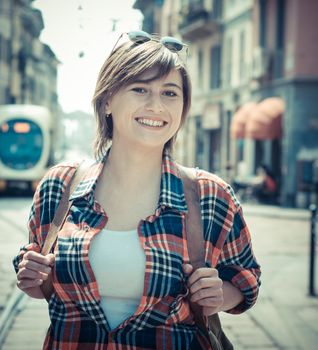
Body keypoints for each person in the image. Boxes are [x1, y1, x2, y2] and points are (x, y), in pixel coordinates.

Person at [13, 31, 261, 349]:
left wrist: (219, 296)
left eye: (170, 93)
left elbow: (246, 279)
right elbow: (43, 287)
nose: (155, 105)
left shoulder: (210, 195)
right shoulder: (59, 187)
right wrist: (33, 278)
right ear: (107, 101)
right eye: (140, 88)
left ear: (183, 107)